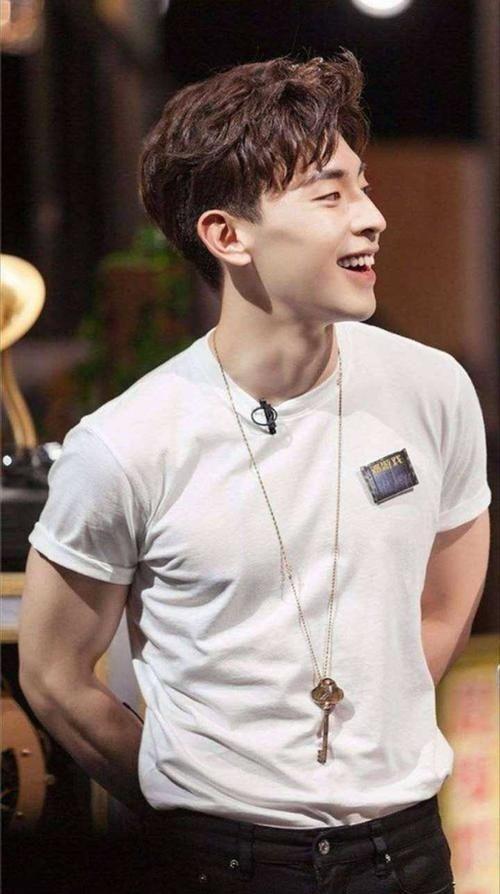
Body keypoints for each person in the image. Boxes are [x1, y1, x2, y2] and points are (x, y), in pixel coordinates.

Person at [19, 50, 491, 893]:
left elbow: (446, 603)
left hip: (409, 850)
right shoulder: (126, 442)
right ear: (227, 235)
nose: (372, 217)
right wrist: (191, 808)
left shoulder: (433, 389)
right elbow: (52, 675)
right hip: (220, 864)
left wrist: (367, 742)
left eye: (363, 185)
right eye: (329, 195)